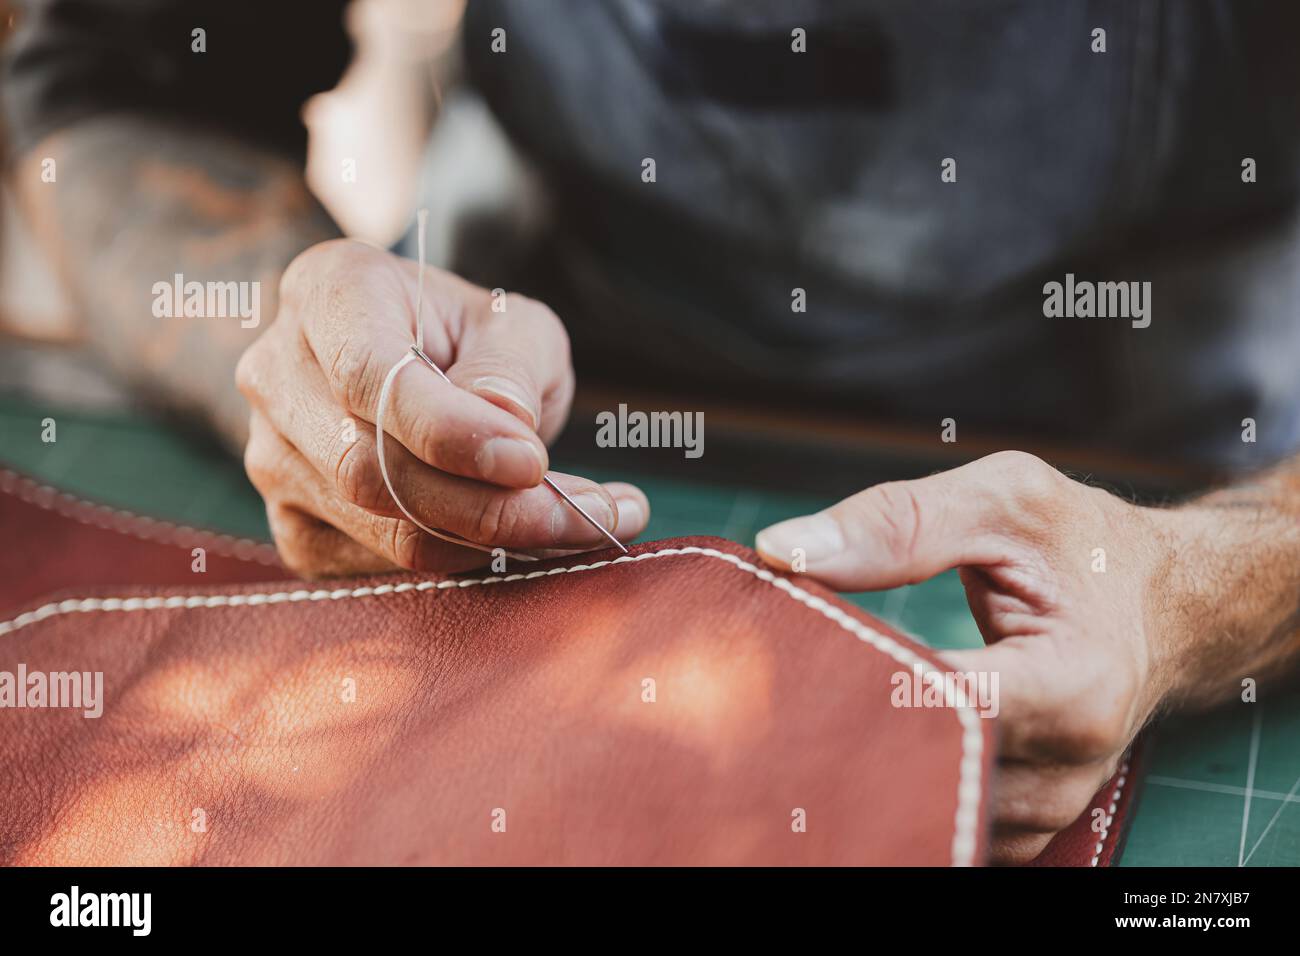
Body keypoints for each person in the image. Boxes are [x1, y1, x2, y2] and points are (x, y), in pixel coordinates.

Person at [4, 0, 1299, 864]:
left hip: (1178, 401)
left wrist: (1214, 586)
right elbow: (129, 89)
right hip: (576, 335)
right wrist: (293, 364)